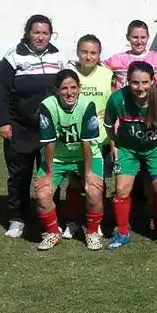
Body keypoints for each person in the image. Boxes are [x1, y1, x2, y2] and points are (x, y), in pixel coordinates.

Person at [0, 14, 73, 239]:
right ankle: (16, 219)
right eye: (36, 32)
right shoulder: (13, 57)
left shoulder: (59, 56)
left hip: (50, 130)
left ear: (50, 34)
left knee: (50, 175)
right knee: (19, 176)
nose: (40, 37)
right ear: (28, 32)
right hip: (20, 128)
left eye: (45, 33)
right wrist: (4, 122)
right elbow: (1, 92)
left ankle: (50, 219)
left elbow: (68, 86)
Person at [104, 61, 157, 251]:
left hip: (156, 149)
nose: (140, 87)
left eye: (145, 82)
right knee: (121, 190)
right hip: (128, 149)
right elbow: (109, 125)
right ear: (127, 81)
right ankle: (122, 233)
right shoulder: (117, 99)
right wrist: (114, 145)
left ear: (153, 81)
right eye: (135, 83)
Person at [33, 70, 104, 251]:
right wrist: (49, 174)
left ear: (79, 88)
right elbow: (48, 143)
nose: (69, 92)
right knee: (42, 194)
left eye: (73, 87)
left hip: (86, 155)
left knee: (94, 192)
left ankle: (92, 232)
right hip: (57, 157)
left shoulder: (87, 105)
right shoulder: (47, 106)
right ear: (57, 90)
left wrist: (88, 173)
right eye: (64, 88)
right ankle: (52, 233)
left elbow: (86, 142)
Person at [63, 34, 113, 241]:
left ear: (99, 55)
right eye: (84, 51)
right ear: (78, 52)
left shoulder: (107, 74)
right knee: (74, 183)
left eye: (93, 52)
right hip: (74, 138)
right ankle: (72, 223)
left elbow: (113, 105)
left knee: (97, 183)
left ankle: (96, 223)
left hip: (100, 139)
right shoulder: (70, 74)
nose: (89, 56)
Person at [104, 20, 157, 91]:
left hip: (154, 107)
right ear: (127, 37)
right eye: (135, 37)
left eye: (143, 37)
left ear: (148, 37)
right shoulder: (117, 60)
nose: (139, 41)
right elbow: (97, 68)